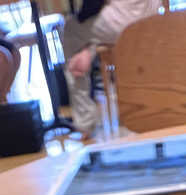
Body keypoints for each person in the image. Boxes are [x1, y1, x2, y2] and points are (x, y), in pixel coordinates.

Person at [62, 0, 157, 139]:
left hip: (126, 19)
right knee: (88, 29)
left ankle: (85, 122)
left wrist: (82, 16)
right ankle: (88, 50)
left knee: (71, 29)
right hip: (151, 14)